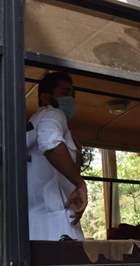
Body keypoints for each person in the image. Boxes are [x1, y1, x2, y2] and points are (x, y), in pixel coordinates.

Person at [26, 72, 88, 241]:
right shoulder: (53, 114)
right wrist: (79, 183)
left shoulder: (33, 123)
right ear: (46, 98)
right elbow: (50, 142)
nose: (71, 99)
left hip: (34, 225)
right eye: (65, 92)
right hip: (59, 225)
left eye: (72, 94)